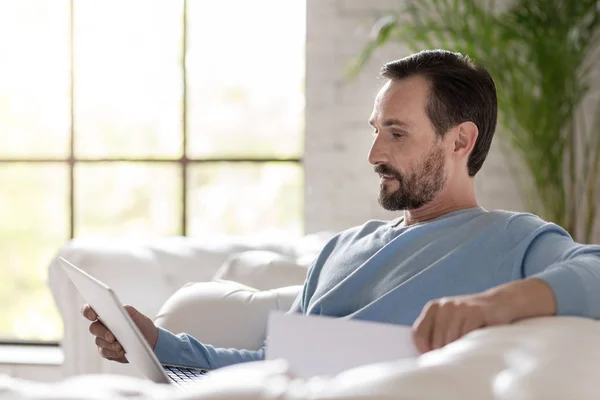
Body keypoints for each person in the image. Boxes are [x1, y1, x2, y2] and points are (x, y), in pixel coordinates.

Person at [82, 49, 600, 370]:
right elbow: (276, 367)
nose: (375, 155)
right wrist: (157, 344)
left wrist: (493, 307)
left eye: (397, 134)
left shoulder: (512, 240)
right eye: (377, 132)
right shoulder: (341, 249)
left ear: (461, 140)